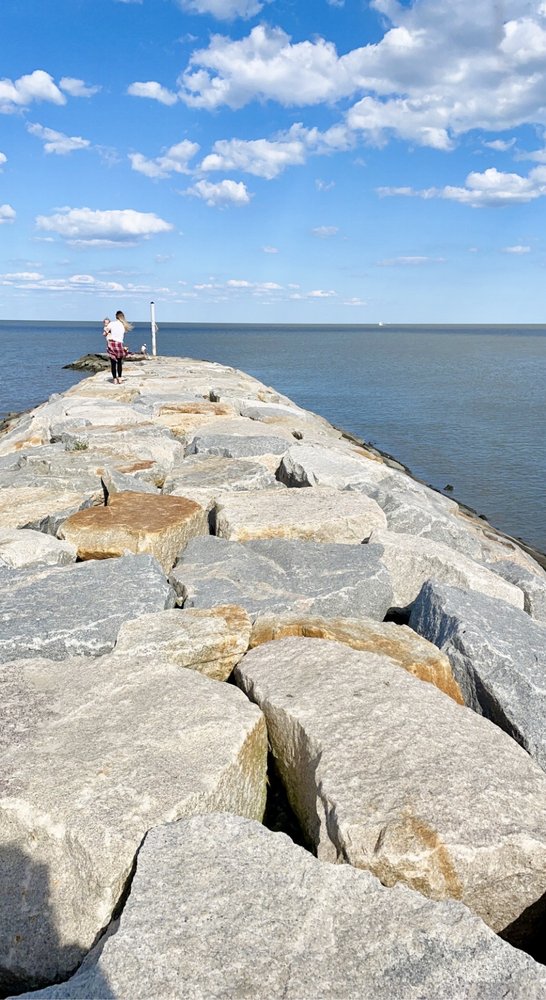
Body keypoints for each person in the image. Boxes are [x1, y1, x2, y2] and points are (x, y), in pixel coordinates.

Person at [103, 310, 132, 383]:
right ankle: (120, 378)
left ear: (116, 316)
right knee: (119, 362)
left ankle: (115, 379)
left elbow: (104, 333)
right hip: (119, 344)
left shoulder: (111, 323)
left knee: (113, 363)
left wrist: (107, 333)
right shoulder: (123, 325)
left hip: (111, 343)